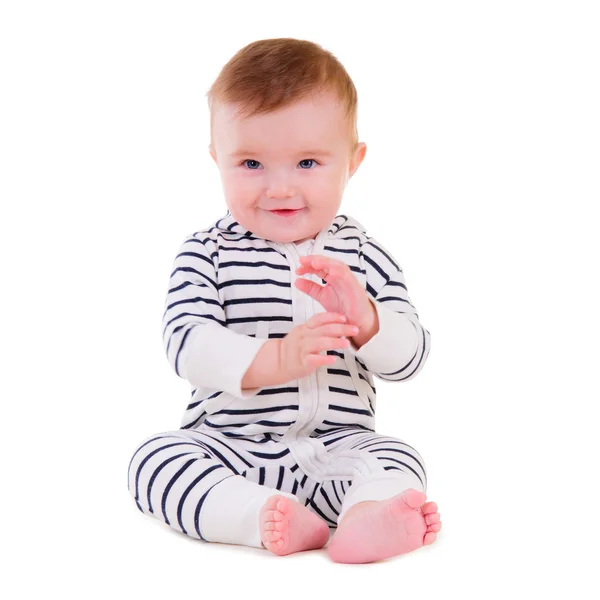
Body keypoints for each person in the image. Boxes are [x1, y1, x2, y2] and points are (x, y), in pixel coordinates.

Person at [127, 37, 441, 564]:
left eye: (307, 163)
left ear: (353, 161)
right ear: (216, 160)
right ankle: (260, 516)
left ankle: (365, 518)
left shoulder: (366, 257)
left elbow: (411, 358)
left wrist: (367, 320)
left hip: (339, 448)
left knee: (397, 458)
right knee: (154, 461)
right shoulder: (207, 252)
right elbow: (187, 343)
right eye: (251, 164)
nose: (278, 188)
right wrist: (274, 358)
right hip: (230, 447)